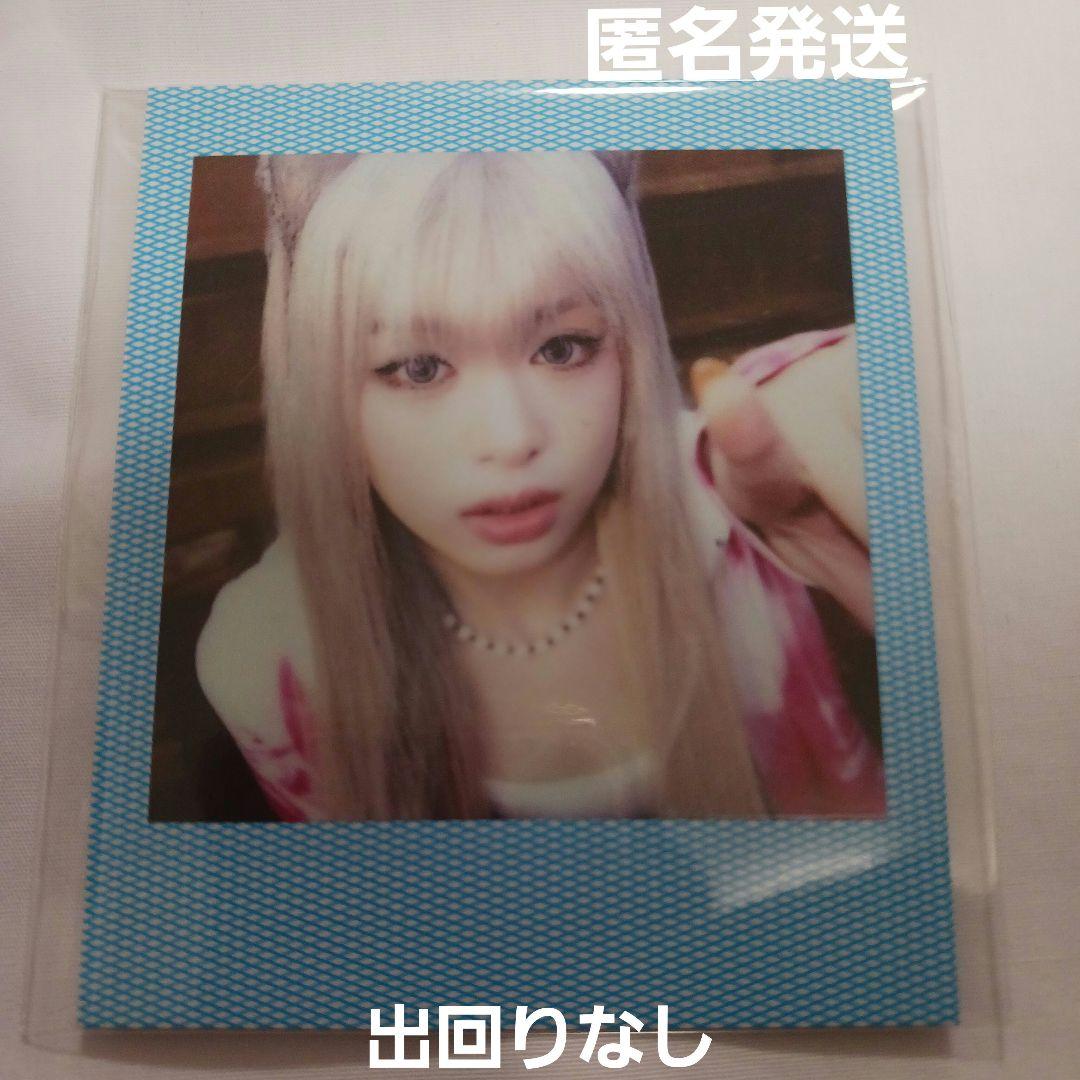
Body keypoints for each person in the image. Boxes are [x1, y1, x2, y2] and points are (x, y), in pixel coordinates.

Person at [194, 149, 886, 822]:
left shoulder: (739, 510)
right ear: (323, 389)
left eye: (562, 348)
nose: (511, 438)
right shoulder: (271, 654)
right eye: (418, 368)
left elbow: (803, 408)